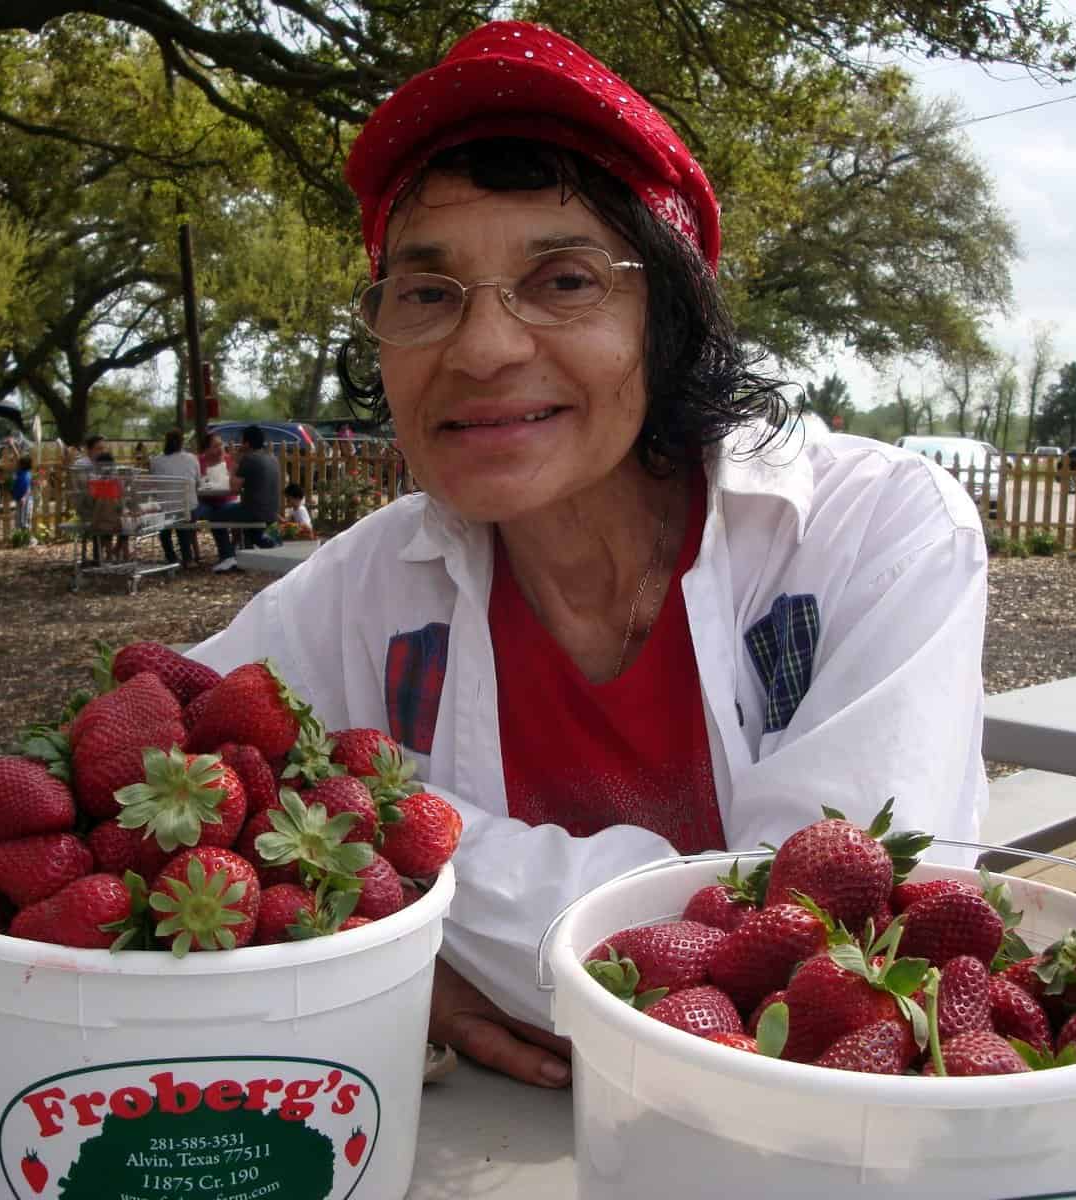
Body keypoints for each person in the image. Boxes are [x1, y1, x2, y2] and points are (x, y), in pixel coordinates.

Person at [186, 21, 987, 1090]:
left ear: (668, 321)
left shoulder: (868, 532)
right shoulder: (368, 583)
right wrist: (361, 951)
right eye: (426, 294)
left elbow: (816, 954)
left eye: (563, 281)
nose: (482, 349)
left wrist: (397, 876)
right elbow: (144, 773)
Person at [197, 425, 282, 573]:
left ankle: (227, 557)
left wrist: (236, 462)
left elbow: (234, 488)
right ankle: (270, 544)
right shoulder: (272, 458)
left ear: (247, 444)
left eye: (242, 441)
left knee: (214, 517)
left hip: (253, 511)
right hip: (271, 512)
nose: (240, 444)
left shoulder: (249, 459)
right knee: (248, 529)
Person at [149, 428, 201, 567]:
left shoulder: (156, 461)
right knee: (186, 514)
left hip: (165, 509)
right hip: (187, 509)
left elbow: (154, 484)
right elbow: (198, 482)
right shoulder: (191, 458)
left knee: (166, 522)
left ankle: (171, 557)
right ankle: (188, 557)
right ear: (182, 443)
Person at [11, 454, 34, 544]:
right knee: (18, 521)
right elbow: (18, 457)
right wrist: (13, 446)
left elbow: (28, 488)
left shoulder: (27, 474)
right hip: (19, 499)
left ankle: (28, 540)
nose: (18, 464)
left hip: (26, 500)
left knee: (25, 521)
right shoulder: (20, 472)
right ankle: (20, 539)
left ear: (23, 465)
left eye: (20, 463)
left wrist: (24, 498)